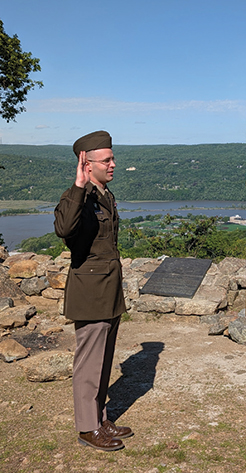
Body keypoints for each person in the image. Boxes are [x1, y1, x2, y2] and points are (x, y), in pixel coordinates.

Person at [54, 130, 132, 451]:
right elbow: (65, 229)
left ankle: (99, 417)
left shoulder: (105, 195)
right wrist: (78, 186)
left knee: (103, 359)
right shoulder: (78, 198)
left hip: (108, 290)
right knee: (89, 361)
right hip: (90, 291)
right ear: (88, 165)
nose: (113, 164)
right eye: (107, 160)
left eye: (112, 157)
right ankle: (88, 427)